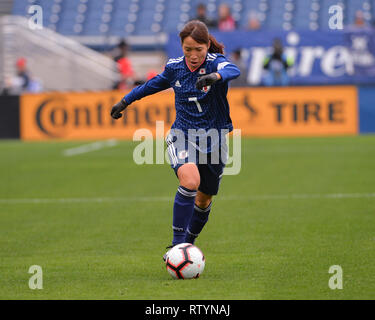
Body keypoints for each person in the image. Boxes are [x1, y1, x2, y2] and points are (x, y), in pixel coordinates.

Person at [110, 20, 240, 259]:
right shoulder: (175, 68)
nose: (192, 55)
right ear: (181, 47)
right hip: (182, 135)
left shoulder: (216, 62)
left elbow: (234, 70)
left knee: (204, 198)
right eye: (187, 49)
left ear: (207, 45)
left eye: (198, 50)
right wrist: (124, 101)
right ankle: (176, 246)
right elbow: (150, 86)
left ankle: (187, 244)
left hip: (215, 139)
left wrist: (216, 76)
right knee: (190, 180)